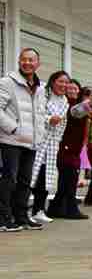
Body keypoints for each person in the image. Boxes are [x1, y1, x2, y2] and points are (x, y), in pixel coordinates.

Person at [0, 48, 48, 232]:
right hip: (11, 140)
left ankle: (21, 217)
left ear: (38, 63)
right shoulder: (7, 82)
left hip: (32, 141)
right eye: (24, 59)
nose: (27, 63)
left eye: (31, 60)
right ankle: (3, 218)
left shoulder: (41, 87)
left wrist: (40, 135)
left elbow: (40, 113)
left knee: (25, 181)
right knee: (9, 179)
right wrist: (13, 128)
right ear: (19, 61)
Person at [47, 84, 92, 220]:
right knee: (70, 178)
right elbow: (75, 112)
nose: (73, 91)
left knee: (65, 180)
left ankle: (54, 208)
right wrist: (87, 104)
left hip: (75, 147)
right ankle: (71, 209)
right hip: (65, 146)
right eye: (70, 88)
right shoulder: (69, 105)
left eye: (75, 89)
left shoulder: (79, 105)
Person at [29, 71, 70, 224]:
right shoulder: (42, 94)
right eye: (60, 81)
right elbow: (35, 113)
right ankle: (18, 210)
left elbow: (63, 123)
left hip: (52, 144)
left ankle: (39, 210)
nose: (63, 85)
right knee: (29, 176)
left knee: (45, 178)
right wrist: (48, 119)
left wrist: (58, 140)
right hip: (38, 141)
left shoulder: (65, 100)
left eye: (66, 82)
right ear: (52, 82)